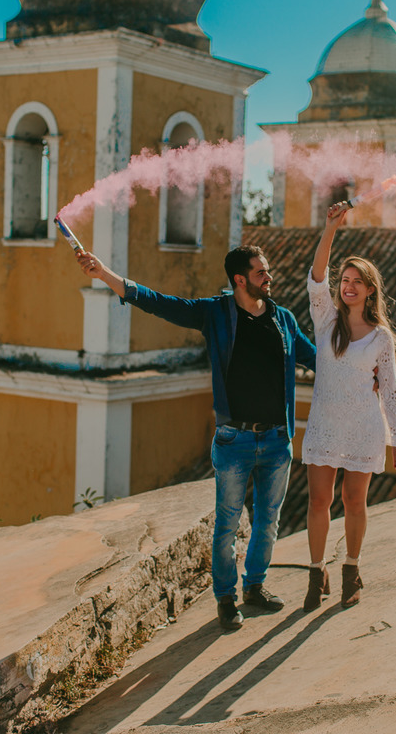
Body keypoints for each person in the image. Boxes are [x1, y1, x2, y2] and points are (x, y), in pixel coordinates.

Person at [75, 244, 315, 631]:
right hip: (234, 441)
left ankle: (255, 586)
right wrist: (104, 274)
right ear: (240, 279)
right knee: (227, 524)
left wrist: (361, 367)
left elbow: (316, 358)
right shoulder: (215, 314)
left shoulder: (283, 319)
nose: (268, 277)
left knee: (269, 520)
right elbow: (157, 302)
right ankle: (225, 598)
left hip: (276, 440)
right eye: (260, 273)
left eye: (267, 271)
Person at [301, 202, 396, 611]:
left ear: (369, 290)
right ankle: (315, 574)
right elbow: (315, 277)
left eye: (356, 281)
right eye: (344, 280)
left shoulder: (380, 338)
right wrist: (330, 229)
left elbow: (391, 393)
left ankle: (350, 570)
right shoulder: (326, 319)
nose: (347, 286)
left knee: (354, 501)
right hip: (325, 424)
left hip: (364, 426)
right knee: (317, 501)